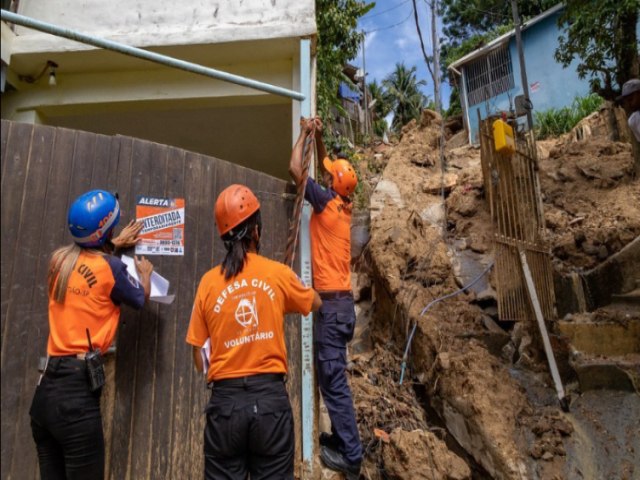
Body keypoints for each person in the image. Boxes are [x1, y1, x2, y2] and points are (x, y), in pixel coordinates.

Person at [186, 184, 322, 480]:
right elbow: (315, 302)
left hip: (225, 408)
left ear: (223, 237)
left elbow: (199, 361)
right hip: (270, 406)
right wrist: (284, 293)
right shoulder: (278, 274)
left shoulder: (208, 284)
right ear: (256, 231)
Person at [29, 189, 153, 480]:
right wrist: (145, 275)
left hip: (45, 395)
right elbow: (139, 299)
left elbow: (85, 267)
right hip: (76, 398)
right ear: (107, 230)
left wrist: (113, 244)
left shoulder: (59, 261)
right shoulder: (110, 268)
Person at [289, 118, 362, 479]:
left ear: (333, 185)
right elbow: (322, 169)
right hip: (342, 307)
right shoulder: (343, 206)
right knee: (332, 378)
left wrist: (303, 133)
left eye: (331, 173)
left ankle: (352, 456)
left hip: (331, 309)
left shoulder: (325, 204)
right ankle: (339, 440)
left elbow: (293, 169)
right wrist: (318, 140)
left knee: (333, 382)